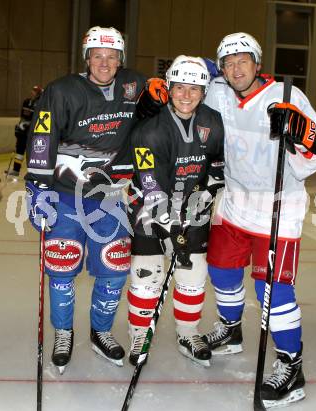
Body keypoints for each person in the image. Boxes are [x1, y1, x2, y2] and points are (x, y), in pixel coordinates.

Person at [24, 26, 168, 373]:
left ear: (121, 59)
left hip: (110, 196)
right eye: (97, 56)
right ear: (87, 58)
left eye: (112, 56)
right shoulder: (61, 91)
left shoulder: (135, 85)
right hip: (64, 195)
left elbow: (173, 100)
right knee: (62, 265)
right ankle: (63, 331)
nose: (104, 63)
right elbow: (42, 136)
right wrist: (36, 187)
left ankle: (100, 332)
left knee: (114, 267)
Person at [202, 32, 316, 407]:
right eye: (228, 63)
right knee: (222, 270)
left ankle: (292, 365)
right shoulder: (219, 91)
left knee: (272, 291)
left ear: (258, 64)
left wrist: (305, 136)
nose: (235, 68)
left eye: (243, 60)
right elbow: (191, 92)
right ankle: (230, 331)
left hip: (278, 207)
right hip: (233, 201)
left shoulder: (286, 97)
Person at [126, 56, 225, 367]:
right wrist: (170, 225)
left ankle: (188, 333)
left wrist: (208, 191)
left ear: (204, 90)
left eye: (194, 88)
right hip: (150, 208)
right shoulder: (149, 131)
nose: (186, 95)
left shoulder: (214, 121)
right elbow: (151, 187)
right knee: (147, 277)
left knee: (193, 275)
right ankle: (139, 335)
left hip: (193, 208)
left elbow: (217, 167)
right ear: (168, 88)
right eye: (180, 87)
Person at [9, 85, 43, 177]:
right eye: (33, 90)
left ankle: (32, 173)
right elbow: (23, 117)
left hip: (32, 134)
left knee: (32, 153)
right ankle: (16, 170)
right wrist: (19, 127)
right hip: (23, 132)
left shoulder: (41, 104)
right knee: (19, 151)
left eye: (35, 91)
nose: (32, 92)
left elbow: (39, 119)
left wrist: (30, 127)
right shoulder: (26, 102)